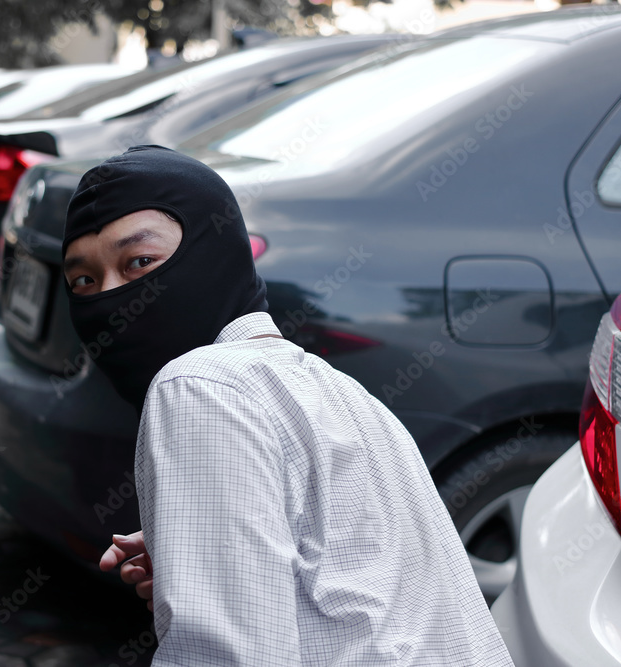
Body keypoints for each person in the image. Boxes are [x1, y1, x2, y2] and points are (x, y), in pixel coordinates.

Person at [62, 145, 514, 666]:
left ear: (214, 252)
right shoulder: (352, 398)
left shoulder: (197, 385)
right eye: (83, 281)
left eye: (140, 262)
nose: (111, 300)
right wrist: (207, 547)